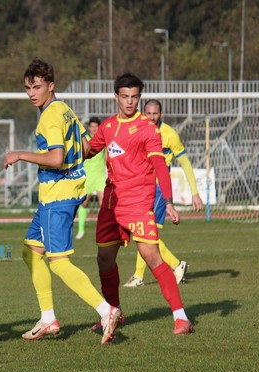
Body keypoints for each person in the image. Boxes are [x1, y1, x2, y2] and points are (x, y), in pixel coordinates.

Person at [3, 58, 122, 345]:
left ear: (50, 86)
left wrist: (20, 154)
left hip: (58, 196)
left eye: (37, 87)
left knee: (58, 262)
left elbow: (56, 158)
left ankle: (106, 310)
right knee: (31, 251)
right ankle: (48, 318)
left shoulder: (49, 117)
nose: (32, 93)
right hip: (56, 196)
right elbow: (86, 148)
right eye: (28, 88)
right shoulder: (66, 110)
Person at [88, 73, 194, 335]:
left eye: (135, 97)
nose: (130, 102)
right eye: (125, 97)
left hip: (137, 203)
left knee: (151, 255)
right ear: (116, 97)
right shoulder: (108, 127)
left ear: (139, 97)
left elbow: (160, 165)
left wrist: (167, 202)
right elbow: (89, 150)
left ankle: (181, 318)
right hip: (111, 204)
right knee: (104, 260)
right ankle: (114, 313)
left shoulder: (147, 128)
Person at [123, 99, 204, 288]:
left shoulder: (169, 134)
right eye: (148, 113)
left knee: (145, 232)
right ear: (143, 113)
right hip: (142, 186)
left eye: (155, 114)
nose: (151, 117)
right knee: (142, 231)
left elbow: (184, 162)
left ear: (161, 114)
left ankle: (155, 271)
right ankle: (164, 268)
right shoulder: (137, 129)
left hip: (159, 188)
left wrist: (195, 192)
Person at [76, 117, 105, 240]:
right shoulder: (84, 140)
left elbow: (108, 156)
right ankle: (81, 230)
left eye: (96, 126)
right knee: (84, 203)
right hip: (87, 176)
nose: (94, 129)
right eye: (92, 126)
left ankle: (104, 230)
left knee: (103, 204)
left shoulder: (103, 140)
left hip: (100, 176)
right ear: (89, 128)